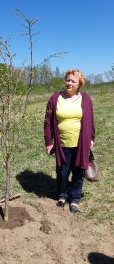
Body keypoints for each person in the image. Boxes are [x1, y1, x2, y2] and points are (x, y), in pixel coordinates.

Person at [44, 69, 95, 213]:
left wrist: (91, 138)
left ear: (79, 83)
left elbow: (90, 120)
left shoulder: (85, 99)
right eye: (67, 80)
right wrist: (49, 142)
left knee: (78, 172)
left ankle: (75, 200)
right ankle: (62, 196)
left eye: (73, 81)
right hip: (62, 143)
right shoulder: (55, 98)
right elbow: (47, 122)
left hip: (81, 143)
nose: (69, 83)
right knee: (62, 172)